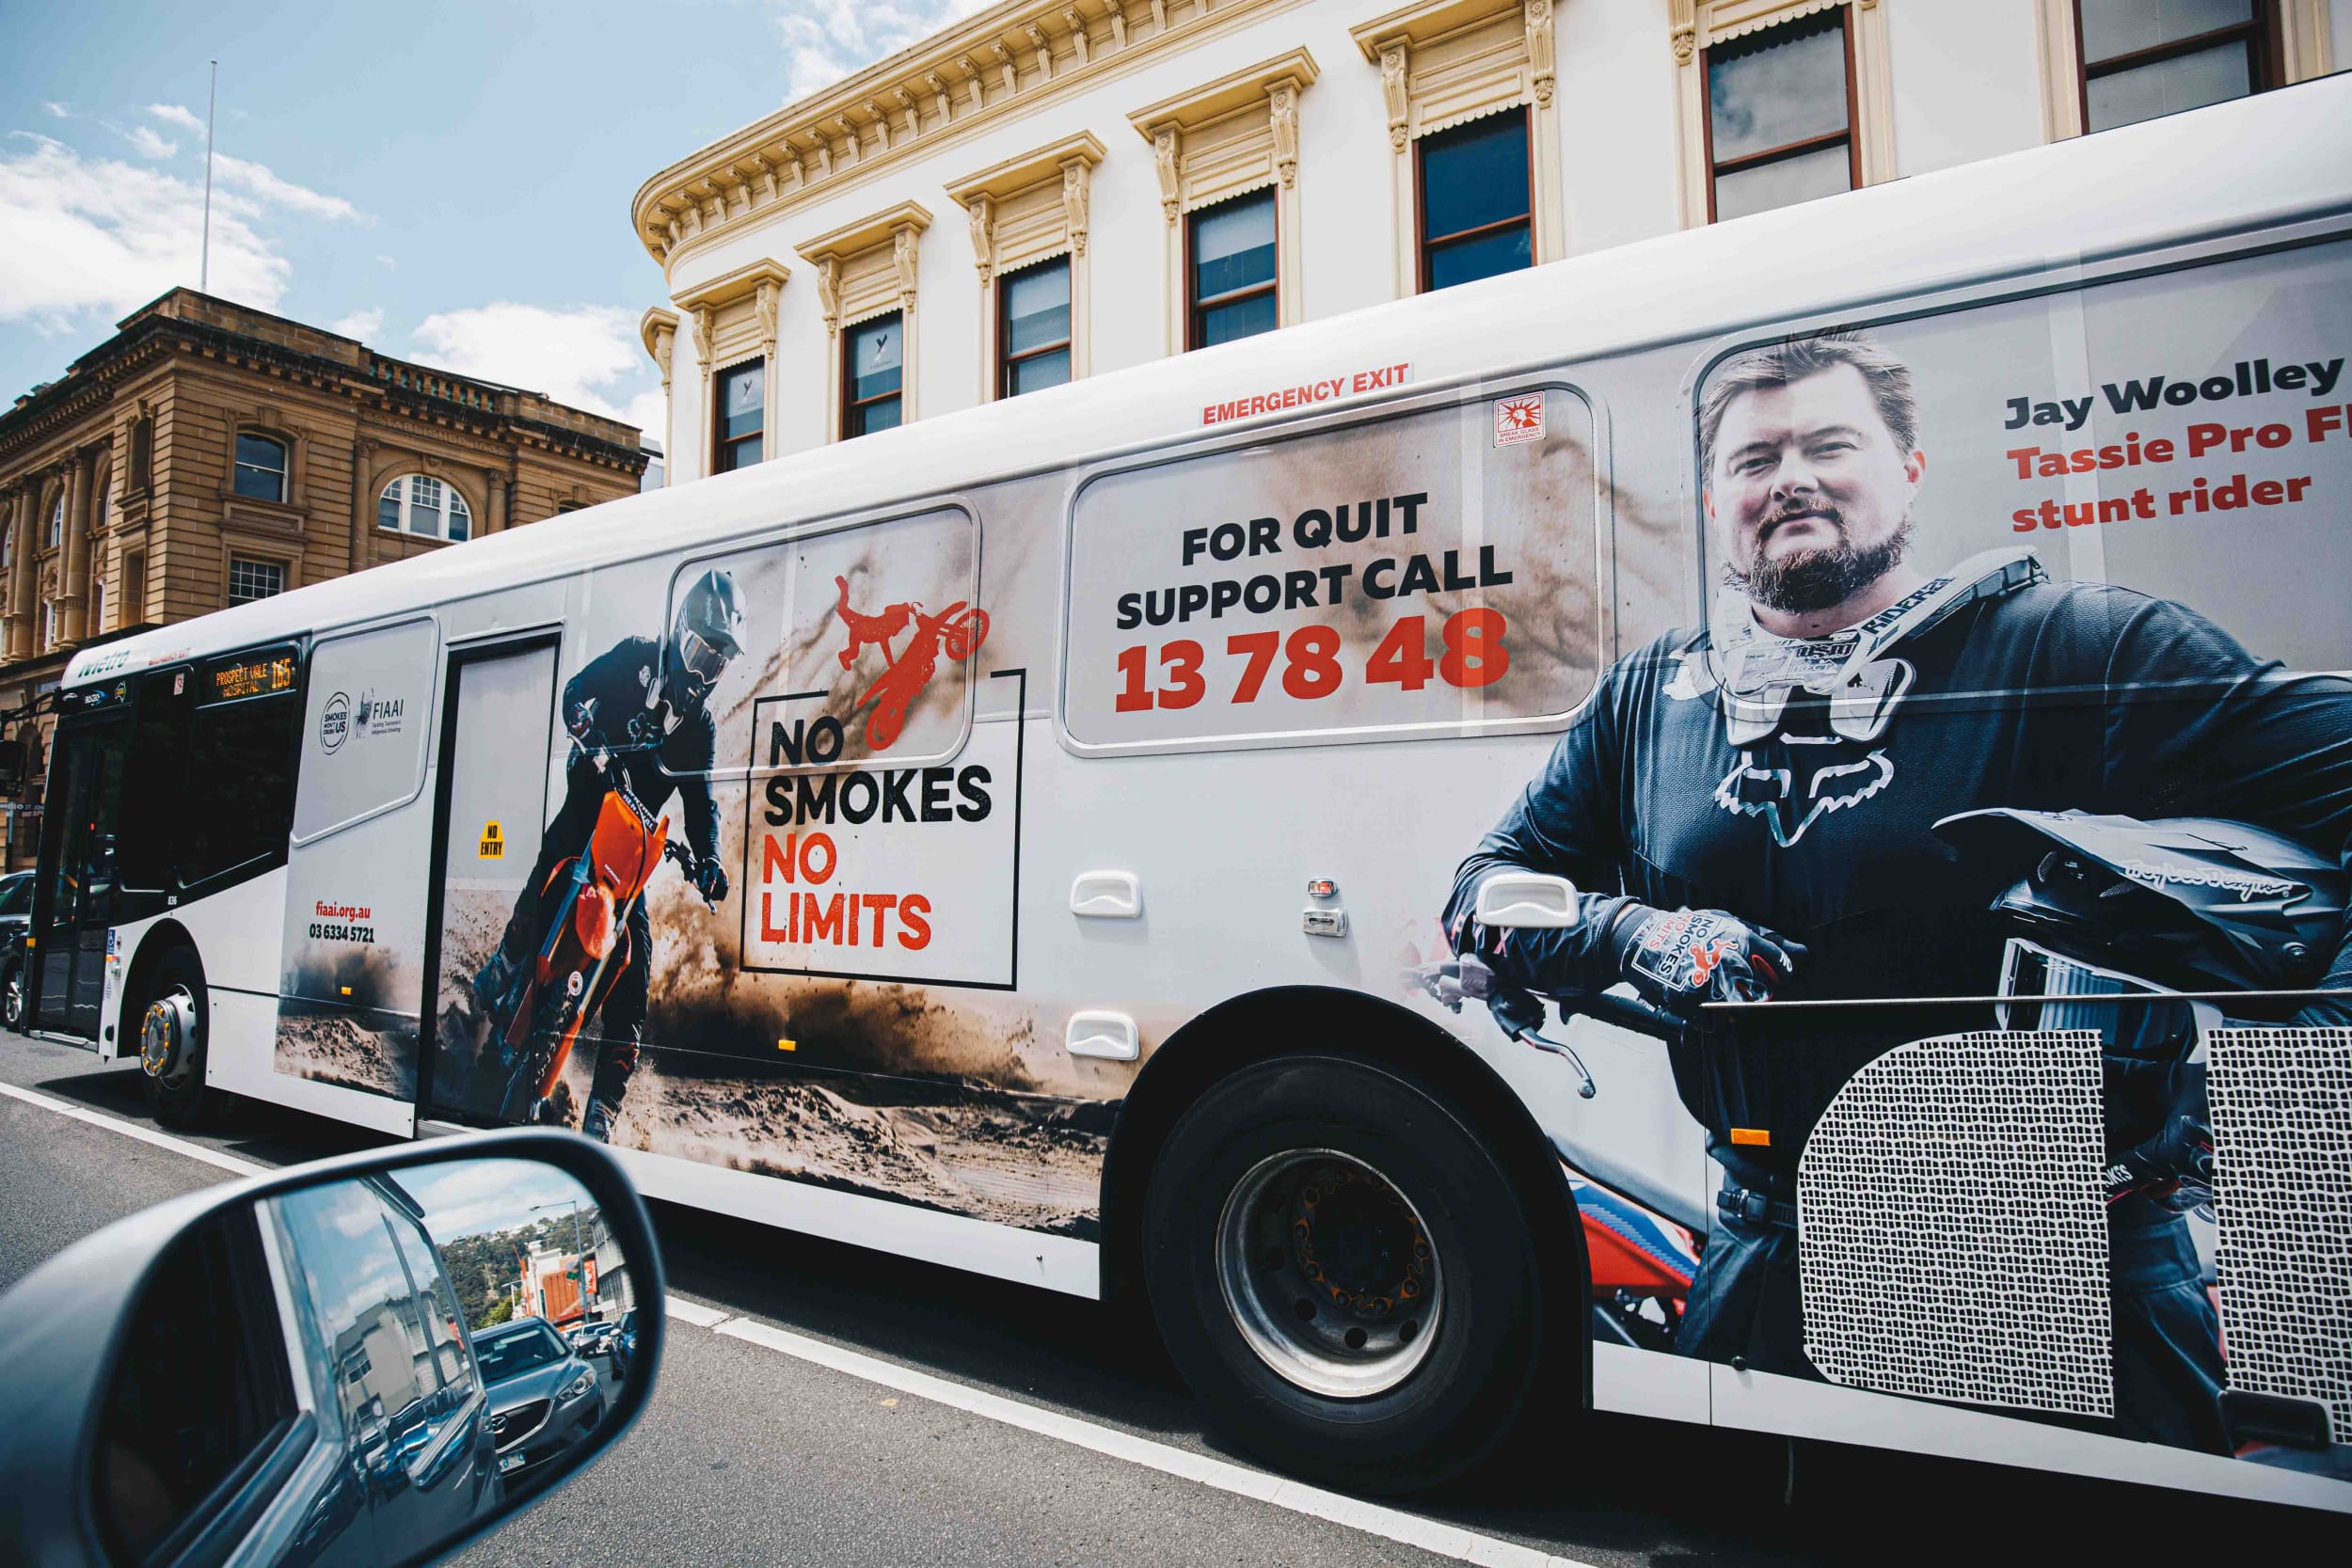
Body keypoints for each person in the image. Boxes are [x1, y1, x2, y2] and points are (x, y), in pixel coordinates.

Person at [1444, 331, 2352, 1451]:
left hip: (2062, 1266)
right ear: (1713, 498)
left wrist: (2292, 1074)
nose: (1791, 479)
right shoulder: (1653, 697)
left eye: (1830, 443)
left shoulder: (2082, 651)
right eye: (1753, 458)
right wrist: (1632, 931)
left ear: (1910, 468)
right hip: (1767, 1250)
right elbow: (1484, 889)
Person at [476, 569, 739, 1143]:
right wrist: (586, 732)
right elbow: (575, 692)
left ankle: (601, 1116)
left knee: (637, 965)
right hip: (590, 798)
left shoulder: (700, 726)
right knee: (555, 850)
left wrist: (710, 859)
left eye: (716, 663)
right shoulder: (636, 657)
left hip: (631, 847)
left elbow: (701, 802)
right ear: (678, 632)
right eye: (699, 652)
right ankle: (506, 959)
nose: (702, 673)